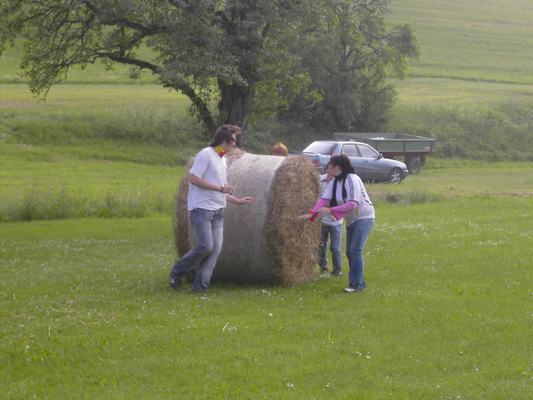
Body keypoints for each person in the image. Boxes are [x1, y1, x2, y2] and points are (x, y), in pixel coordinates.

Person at [170, 125, 253, 293]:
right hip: (202, 209)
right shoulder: (206, 154)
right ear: (224, 141)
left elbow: (219, 188)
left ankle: (200, 288)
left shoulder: (221, 158)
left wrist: (235, 200)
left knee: (215, 250)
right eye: (233, 142)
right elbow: (194, 179)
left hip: (217, 211)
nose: (235, 146)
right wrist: (221, 189)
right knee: (206, 246)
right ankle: (177, 271)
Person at [300, 154, 375, 292]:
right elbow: (324, 200)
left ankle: (357, 285)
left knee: (355, 251)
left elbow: (353, 204)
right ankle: (356, 283)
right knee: (350, 252)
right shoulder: (335, 182)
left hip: (364, 217)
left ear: (338, 167)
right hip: (352, 219)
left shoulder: (352, 179)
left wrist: (330, 210)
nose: (328, 167)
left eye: (330, 164)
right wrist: (312, 214)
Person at [317, 161, 344, 276]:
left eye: (335, 167)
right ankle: (323, 268)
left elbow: (342, 202)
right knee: (321, 247)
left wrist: (328, 205)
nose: (332, 169)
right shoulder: (319, 180)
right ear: (327, 167)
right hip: (321, 220)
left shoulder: (340, 183)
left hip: (335, 221)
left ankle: (337, 270)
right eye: (330, 166)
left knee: (335, 248)